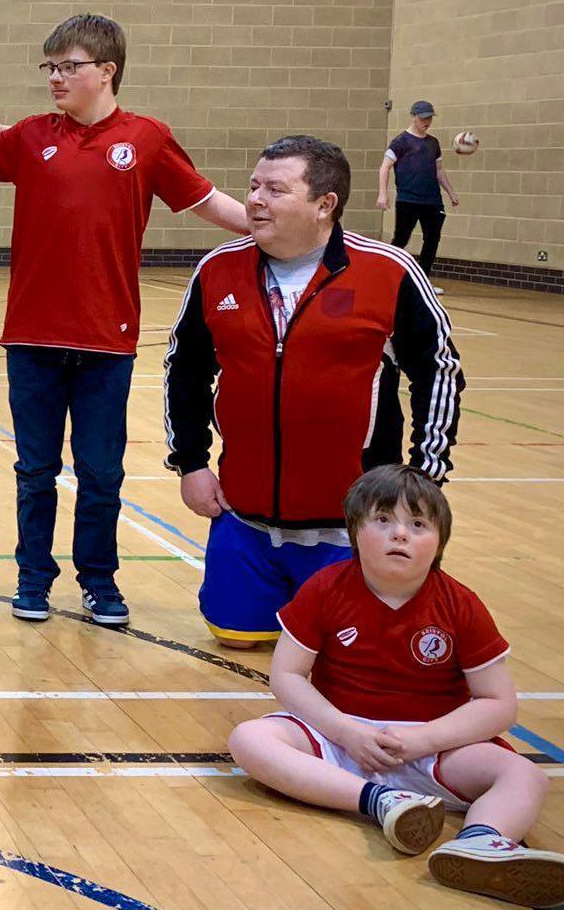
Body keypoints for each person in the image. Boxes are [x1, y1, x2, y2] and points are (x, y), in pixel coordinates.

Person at [0, 13, 247, 627]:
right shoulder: (31, 135)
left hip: (107, 341)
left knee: (100, 473)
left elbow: (207, 201)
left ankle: (98, 581)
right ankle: (33, 578)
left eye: (69, 66)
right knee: (35, 471)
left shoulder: (146, 139)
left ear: (107, 71)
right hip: (31, 338)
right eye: (50, 67)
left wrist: (279, 225)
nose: (55, 78)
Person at [165, 136, 463, 648]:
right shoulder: (217, 269)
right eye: (254, 186)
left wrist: (424, 476)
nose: (254, 199)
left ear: (325, 205)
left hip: (352, 526)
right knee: (232, 636)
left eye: (275, 189)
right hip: (244, 518)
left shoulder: (388, 270)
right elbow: (184, 369)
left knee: (353, 652)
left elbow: (439, 369)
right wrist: (190, 462)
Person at [227, 466, 564, 906]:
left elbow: (499, 704)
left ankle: (481, 842)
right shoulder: (325, 588)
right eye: (383, 520)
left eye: (418, 524)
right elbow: (286, 675)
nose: (400, 534)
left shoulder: (461, 605)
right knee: (249, 738)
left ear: (439, 542)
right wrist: (346, 731)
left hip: (433, 744)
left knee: (524, 775)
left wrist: (424, 738)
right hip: (340, 736)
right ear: (353, 531)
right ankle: (381, 801)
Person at [378, 100, 459, 286]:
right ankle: (386, 276)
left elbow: (439, 171)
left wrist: (450, 192)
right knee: (401, 239)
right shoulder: (401, 142)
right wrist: (383, 194)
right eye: (423, 118)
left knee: (432, 239)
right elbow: (385, 167)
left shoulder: (433, 143)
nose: (427, 121)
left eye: (429, 118)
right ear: (413, 116)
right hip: (408, 200)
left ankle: (423, 281)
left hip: (432, 200)